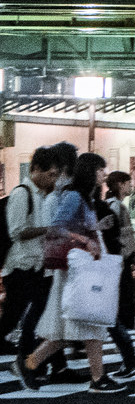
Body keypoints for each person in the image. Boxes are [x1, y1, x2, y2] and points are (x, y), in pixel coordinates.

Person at [15, 153, 120, 393]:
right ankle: (97, 379)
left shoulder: (84, 197)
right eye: (101, 170)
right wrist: (85, 238)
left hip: (78, 269)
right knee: (87, 324)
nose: (104, 174)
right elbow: (58, 227)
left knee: (69, 329)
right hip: (75, 271)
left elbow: (72, 226)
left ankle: (29, 364)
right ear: (91, 171)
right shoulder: (74, 196)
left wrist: (95, 228)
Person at [2, 144, 66, 359]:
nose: (54, 180)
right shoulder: (22, 193)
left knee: (36, 312)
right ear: (36, 168)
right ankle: (28, 358)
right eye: (51, 174)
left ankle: (31, 357)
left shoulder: (40, 196)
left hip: (35, 266)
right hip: (21, 266)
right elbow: (17, 231)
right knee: (14, 316)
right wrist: (48, 230)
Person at [96, 169, 135, 379]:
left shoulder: (113, 205)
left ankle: (128, 355)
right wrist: (130, 255)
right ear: (119, 185)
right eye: (127, 183)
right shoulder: (117, 207)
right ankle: (128, 355)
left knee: (110, 310)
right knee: (115, 307)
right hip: (119, 260)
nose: (130, 186)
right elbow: (121, 236)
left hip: (115, 260)